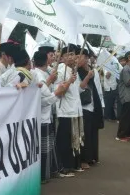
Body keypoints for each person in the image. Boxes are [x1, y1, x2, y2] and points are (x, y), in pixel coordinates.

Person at [32, 50, 62, 182]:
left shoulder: (45, 72)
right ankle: (43, 175)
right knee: (43, 148)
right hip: (42, 117)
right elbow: (44, 98)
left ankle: (50, 170)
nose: (53, 57)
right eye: (50, 56)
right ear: (45, 60)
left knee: (49, 146)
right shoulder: (38, 75)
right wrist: (58, 93)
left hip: (47, 115)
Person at [54, 44, 81, 177]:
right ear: (62, 57)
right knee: (64, 140)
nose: (71, 57)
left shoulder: (73, 70)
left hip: (74, 110)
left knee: (72, 139)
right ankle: (63, 167)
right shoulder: (61, 70)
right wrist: (69, 81)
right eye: (68, 54)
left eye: (73, 54)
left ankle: (71, 165)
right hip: (64, 111)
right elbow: (59, 92)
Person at [77, 48, 104, 169]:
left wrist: (101, 104)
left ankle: (92, 156)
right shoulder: (76, 71)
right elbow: (80, 87)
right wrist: (87, 77)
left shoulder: (94, 71)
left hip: (94, 104)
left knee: (93, 131)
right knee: (85, 133)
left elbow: (98, 88)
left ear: (87, 58)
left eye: (80, 56)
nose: (78, 59)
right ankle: (84, 159)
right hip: (83, 105)